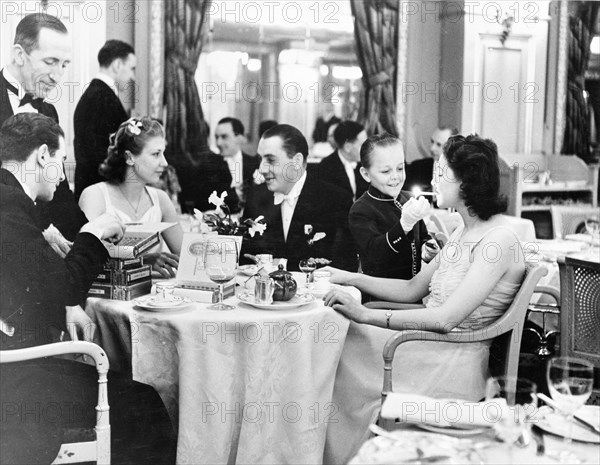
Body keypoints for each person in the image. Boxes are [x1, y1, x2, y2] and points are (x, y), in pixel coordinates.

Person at [0, 113, 176, 465]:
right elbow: (62, 290)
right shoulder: (9, 204)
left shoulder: (11, 202)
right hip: (14, 377)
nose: (63, 174)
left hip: (17, 361)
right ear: (43, 155)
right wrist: (92, 235)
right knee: (144, 402)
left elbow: (43, 287)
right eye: (61, 162)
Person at [324, 134, 526, 399]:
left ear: (466, 180)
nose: (433, 181)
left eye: (440, 173)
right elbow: (411, 289)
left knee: (339, 347)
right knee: (338, 336)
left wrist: (365, 314)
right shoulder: (462, 232)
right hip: (428, 343)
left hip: (451, 359)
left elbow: (444, 319)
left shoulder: (498, 240)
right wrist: (349, 278)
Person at [0, 13, 88, 240]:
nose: (57, 76)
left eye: (64, 65)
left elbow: (61, 198)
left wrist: (105, 247)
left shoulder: (49, 112)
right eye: (50, 62)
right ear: (19, 54)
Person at [242, 123, 358, 271]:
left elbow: (345, 266)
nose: (261, 169)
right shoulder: (256, 197)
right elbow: (245, 259)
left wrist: (280, 263)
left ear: (296, 161)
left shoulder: (335, 200)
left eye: (270, 160)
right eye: (260, 159)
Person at [78, 117, 183, 278]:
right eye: (156, 154)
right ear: (129, 157)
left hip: (156, 298)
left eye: (163, 153)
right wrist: (142, 261)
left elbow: (186, 257)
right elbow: (82, 259)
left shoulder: (161, 199)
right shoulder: (95, 196)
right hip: (108, 298)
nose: (165, 162)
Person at [349, 133, 433, 282]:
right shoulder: (361, 210)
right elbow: (375, 255)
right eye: (386, 171)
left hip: (412, 293)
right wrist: (404, 226)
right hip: (379, 297)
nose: (395, 176)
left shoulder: (409, 199)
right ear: (366, 174)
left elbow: (423, 238)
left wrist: (428, 249)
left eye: (400, 168)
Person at [74, 39, 135, 198]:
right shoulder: (102, 97)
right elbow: (99, 154)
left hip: (93, 188)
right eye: (131, 68)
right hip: (99, 192)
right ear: (117, 65)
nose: (132, 76)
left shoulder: (95, 94)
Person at [315, 120, 369, 201]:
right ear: (348, 147)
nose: (367, 149)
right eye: (362, 145)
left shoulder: (365, 165)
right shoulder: (326, 168)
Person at [215, 116, 260, 211]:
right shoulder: (210, 166)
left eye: (224, 137)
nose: (218, 143)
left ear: (239, 138)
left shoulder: (255, 164)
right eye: (216, 137)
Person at [404, 125, 458, 193]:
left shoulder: (458, 174)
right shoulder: (416, 167)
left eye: (438, 144)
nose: (432, 148)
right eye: (432, 142)